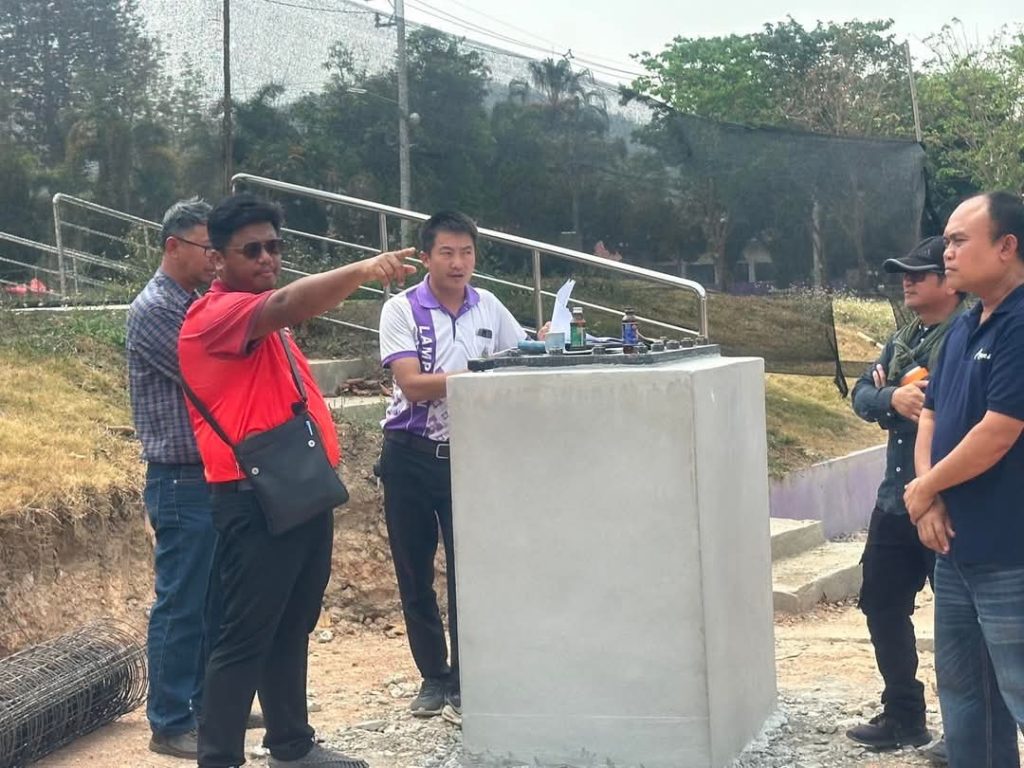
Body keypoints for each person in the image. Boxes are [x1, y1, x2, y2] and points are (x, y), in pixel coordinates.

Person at [178, 193, 415, 768]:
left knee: (291, 625)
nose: (267, 258)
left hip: (298, 491)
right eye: (252, 250)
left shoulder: (262, 320)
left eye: (274, 246)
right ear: (218, 260)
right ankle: (219, 758)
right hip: (254, 499)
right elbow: (288, 303)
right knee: (245, 636)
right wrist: (363, 270)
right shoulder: (215, 316)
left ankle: (291, 745)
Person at [377, 210, 545, 725]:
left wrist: (544, 339)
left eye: (466, 252)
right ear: (426, 257)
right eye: (447, 252)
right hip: (408, 455)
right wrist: (480, 373)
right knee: (414, 572)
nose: (458, 263)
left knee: (469, 573)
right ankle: (434, 676)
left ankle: (469, 680)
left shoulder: (488, 306)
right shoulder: (401, 309)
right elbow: (412, 385)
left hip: (469, 458)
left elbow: (520, 354)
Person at [905, 191, 1024, 768]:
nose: (945, 253)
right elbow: (930, 414)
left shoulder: (1019, 326)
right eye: (946, 242)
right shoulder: (962, 328)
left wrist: (926, 488)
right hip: (955, 548)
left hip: (1010, 552)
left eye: (957, 241)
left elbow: (999, 430)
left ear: (1006, 246)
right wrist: (928, 500)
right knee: (965, 691)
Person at [845, 236, 965, 754]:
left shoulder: (968, 334)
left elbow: (948, 407)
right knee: (881, 603)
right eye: (903, 274)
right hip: (897, 499)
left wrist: (895, 396)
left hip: (951, 502)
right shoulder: (903, 340)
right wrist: (892, 396)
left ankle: (965, 731)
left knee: (961, 620)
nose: (907, 282)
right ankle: (904, 716)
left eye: (918, 274)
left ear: (949, 281)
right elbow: (860, 394)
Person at [127, 198, 217, 760]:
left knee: (212, 600)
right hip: (181, 479)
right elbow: (207, 370)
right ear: (173, 246)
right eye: (208, 248)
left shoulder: (194, 302)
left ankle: (209, 705)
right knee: (181, 601)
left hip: (210, 475)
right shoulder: (157, 309)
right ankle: (169, 720)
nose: (215, 259)